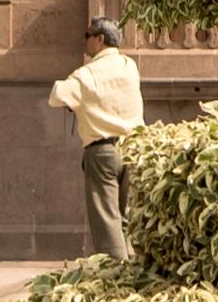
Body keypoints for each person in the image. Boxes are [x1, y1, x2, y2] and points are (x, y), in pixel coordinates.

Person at [51, 14, 146, 257]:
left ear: (99, 39)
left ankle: (117, 273)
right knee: (127, 216)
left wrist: (77, 104)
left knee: (107, 218)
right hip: (136, 148)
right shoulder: (130, 67)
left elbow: (57, 95)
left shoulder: (86, 74)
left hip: (102, 151)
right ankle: (134, 267)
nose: (85, 41)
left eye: (88, 36)